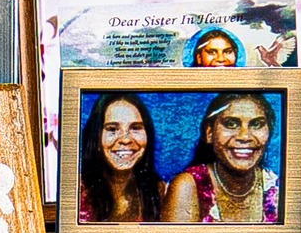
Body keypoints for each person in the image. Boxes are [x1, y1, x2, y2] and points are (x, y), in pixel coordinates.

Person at [162, 91, 281, 224]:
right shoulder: (188, 186)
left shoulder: (277, 187)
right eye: (231, 124)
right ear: (209, 133)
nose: (244, 136)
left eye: (256, 124)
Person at [76, 93, 164, 223]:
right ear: (95, 136)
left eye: (135, 128)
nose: (125, 139)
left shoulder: (158, 191)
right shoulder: (76, 191)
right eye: (112, 129)